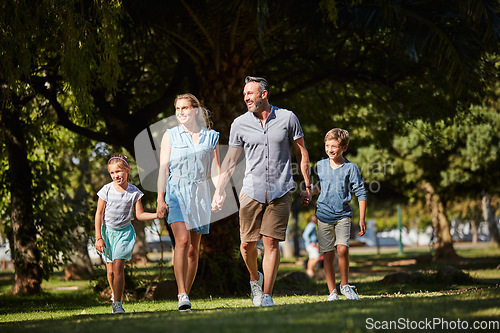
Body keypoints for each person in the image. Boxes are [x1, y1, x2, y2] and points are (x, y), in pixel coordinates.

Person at [212, 76, 311, 307]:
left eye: (250, 93)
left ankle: (266, 294)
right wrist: (219, 190)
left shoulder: (288, 118)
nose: (246, 97)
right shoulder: (239, 124)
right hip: (251, 190)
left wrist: (307, 186)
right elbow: (230, 161)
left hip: (281, 189)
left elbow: (301, 153)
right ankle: (255, 280)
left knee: (271, 243)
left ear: (263, 94)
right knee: (246, 245)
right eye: (244, 94)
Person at [157, 93, 221, 312]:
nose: (181, 112)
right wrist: (160, 198)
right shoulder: (170, 135)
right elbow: (163, 170)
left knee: (194, 249)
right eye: (177, 109)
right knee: (182, 241)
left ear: (195, 110)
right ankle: (181, 293)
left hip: (200, 194)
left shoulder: (211, 136)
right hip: (176, 192)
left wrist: (219, 192)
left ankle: (186, 295)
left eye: (185, 108)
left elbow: (215, 169)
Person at [300, 128, 366, 301]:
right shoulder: (321, 166)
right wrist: (309, 194)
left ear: (344, 148)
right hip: (323, 215)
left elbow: (361, 193)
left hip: (343, 215)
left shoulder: (351, 168)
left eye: (334, 146)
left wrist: (362, 219)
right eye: (327, 145)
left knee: (342, 249)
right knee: (328, 254)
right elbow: (321, 187)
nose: (330, 149)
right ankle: (332, 292)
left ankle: (344, 285)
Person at [95, 154, 158, 314]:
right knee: (110, 271)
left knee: (118, 268)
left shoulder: (134, 192)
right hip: (107, 233)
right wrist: (98, 237)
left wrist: (156, 215)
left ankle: (117, 303)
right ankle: (115, 294)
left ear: (127, 170)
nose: (116, 175)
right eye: (112, 173)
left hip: (124, 234)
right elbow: (99, 214)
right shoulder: (106, 190)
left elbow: (140, 215)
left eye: (119, 171)